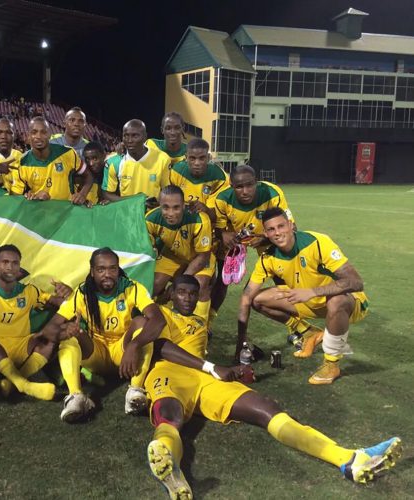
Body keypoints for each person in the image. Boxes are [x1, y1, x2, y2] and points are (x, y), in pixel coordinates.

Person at [144, 275, 399, 499]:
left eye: (192, 293)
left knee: (267, 408)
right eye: (181, 292)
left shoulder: (201, 315)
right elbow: (159, 346)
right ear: (170, 294)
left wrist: (233, 369)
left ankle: (347, 458)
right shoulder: (159, 313)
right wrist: (212, 367)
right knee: (170, 415)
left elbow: (213, 284)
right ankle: (170, 463)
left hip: (206, 378)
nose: (187, 298)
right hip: (169, 373)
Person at [237, 207, 369, 384]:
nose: (277, 233)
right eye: (271, 229)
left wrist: (312, 292)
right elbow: (246, 298)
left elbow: (355, 282)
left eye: (281, 226)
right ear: (266, 234)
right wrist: (240, 346)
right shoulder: (267, 258)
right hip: (307, 302)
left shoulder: (317, 242)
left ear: (291, 226)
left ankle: (332, 364)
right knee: (258, 300)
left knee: (336, 301)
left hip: (348, 303)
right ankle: (308, 333)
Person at [39, 248, 166, 421]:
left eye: (112, 269)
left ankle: (135, 391)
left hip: (124, 354)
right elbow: (49, 328)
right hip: (95, 354)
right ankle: (76, 397)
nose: (107, 274)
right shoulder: (81, 293)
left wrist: (134, 345)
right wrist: (64, 331)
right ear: (92, 272)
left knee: (144, 324)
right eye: (101, 269)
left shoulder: (132, 288)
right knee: (69, 335)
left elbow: (158, 320)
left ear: (118, 269)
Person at [0, 245, 71, 400]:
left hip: (20, 352)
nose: (10, 267)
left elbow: (63, 304)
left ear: (19, 266)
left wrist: (68, 293)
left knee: (51, 337)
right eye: (5, 262)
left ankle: (12, 382)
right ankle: (24, 385)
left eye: (15, 263)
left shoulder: (29, 291)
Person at [212, 165, 310, 340]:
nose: (245, 191)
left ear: (256, 182)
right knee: (222, 279)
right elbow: (218, 228)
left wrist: (266, 239)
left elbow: (291, 228)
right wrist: (224, 234)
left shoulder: (272, 193)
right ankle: (208, 323)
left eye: (250, 185)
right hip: (235, 239)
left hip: (267, 237)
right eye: (239, 187)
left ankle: (298, 327)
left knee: (282, 280)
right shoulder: (222, 199)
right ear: (231, 186)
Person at [145, 186, 213, 318]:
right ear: (159, 205)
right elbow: (147, 250)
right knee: (152, 284)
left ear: (183, 205)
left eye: (176, 207)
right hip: (171, 255)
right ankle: (151, 321)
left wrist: (180, 282)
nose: (170, 213)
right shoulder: (150, 219)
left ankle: (201, 326)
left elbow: (204, 255)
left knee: (199, 284)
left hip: (199, 257)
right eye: (165, 207)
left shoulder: (200, 219)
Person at [11, 116, 92, 204]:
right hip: (40, 213)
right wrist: (31, 197)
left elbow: (89, 176)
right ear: (28, 136)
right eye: (34, 132)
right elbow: (15, 197)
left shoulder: (68, 153)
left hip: (67, 213)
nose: (38, 136)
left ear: (49, 135)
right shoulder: (21, 163)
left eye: (43, 132)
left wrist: (82, 194)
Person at [102, 119, 171, 207]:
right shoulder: (113, 162)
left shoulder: (162, 159)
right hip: (127, 214)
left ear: (145, 136)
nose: (129, 140)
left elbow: (167, 191)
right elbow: (107, 194)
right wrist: (138, 202)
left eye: (135, 136)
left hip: (152, 215)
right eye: (126, 136)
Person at [168, 137, 229, 221]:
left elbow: (218, 216)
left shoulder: (220, 178)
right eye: (192, 158)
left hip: (206, 224)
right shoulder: (176, 171)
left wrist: (206, 210)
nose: (197, 163)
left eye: (202, 158)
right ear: (186, 157)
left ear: (208, 157)